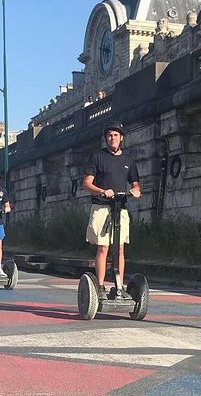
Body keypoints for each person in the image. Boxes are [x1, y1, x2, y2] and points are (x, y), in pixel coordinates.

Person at [83, 121, 141, 300]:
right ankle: (100, 286)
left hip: (120, 208)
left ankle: (119, 286)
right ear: (106, 139)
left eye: (116, 135)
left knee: (121, 249)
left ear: (121, 138)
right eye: (109, 135)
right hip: (102, 207)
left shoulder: (128, 160)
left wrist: (136, 191)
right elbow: (87, 183)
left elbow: (136, 184)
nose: (112, 138)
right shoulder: (98, 157)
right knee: (103, 248)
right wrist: (102, 191)